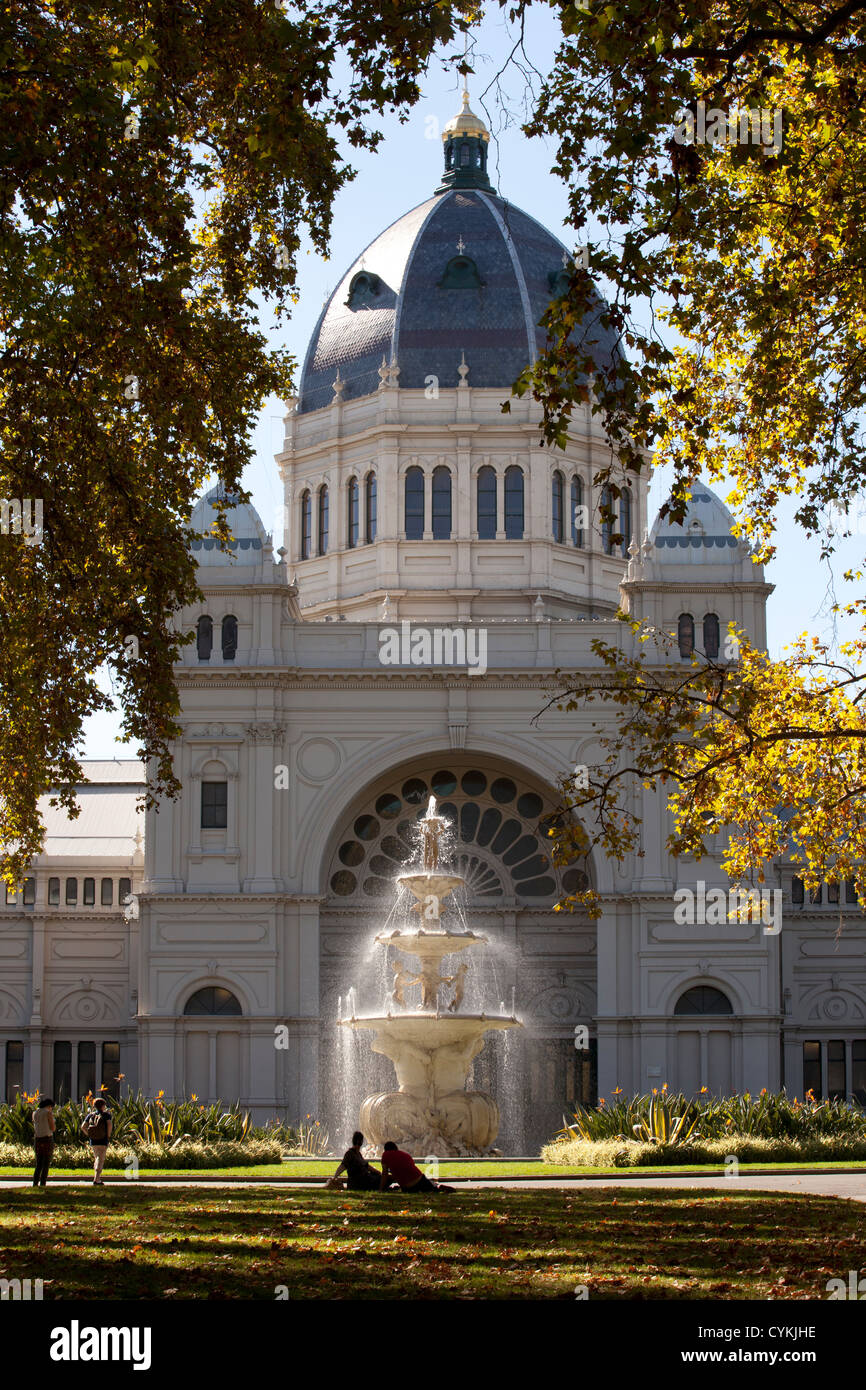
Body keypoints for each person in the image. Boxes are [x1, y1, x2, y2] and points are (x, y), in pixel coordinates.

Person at [378, 1141, 454, 1194]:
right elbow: (409, 1169)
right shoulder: (405, 1155)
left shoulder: (386, 1155)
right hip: (418, 1179)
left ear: (385, 1149)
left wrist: (381, 1189)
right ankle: (438, 1186)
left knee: (425, 1189)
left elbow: (385, 1174)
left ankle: (436, 1186)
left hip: (407, 1188)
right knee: (431, 1187)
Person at [81, 1096, 112, 1184]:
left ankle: (96, 1177)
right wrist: (108, 1135)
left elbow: (83, 1127)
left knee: (97, 1157)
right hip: (103, 1139)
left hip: (93, 1140)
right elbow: (109, 1125)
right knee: (100, 1158)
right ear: (103, 1106)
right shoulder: (106, 1115)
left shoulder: (90, 1115)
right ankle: (97, 1179)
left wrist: (89, 1134)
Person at [32, 1097, 55, 1188]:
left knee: (39, 1163)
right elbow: (52, 1127)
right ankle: (43, 1183)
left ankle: (35, 1183)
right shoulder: (48, 1113)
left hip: (38, 1138)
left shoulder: (35, 1113)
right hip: (47, 1138)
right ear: (49, 1106)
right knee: (46, 1162)